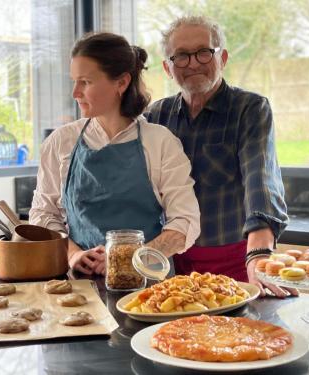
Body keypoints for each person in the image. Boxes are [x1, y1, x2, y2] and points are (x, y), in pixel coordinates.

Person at [145, 16, 295, 298]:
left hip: (237, 263)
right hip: (171, 266)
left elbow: (260, 179)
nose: (193, 63)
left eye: (204, 52)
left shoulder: (249, 108)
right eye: (181, 56)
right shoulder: (155, 116)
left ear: (222, 57)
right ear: (167, 67)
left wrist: (260, 252)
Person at [29, 32, 200, 276]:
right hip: (80, 284)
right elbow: (43, 214)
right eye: (74, 81)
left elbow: (185, 222)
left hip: (148, 286)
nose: (75, 92)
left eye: (85, 82)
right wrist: (73, 253)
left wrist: (131, 260)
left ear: (121, 83)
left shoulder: (160, 142)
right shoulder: (60, 142)